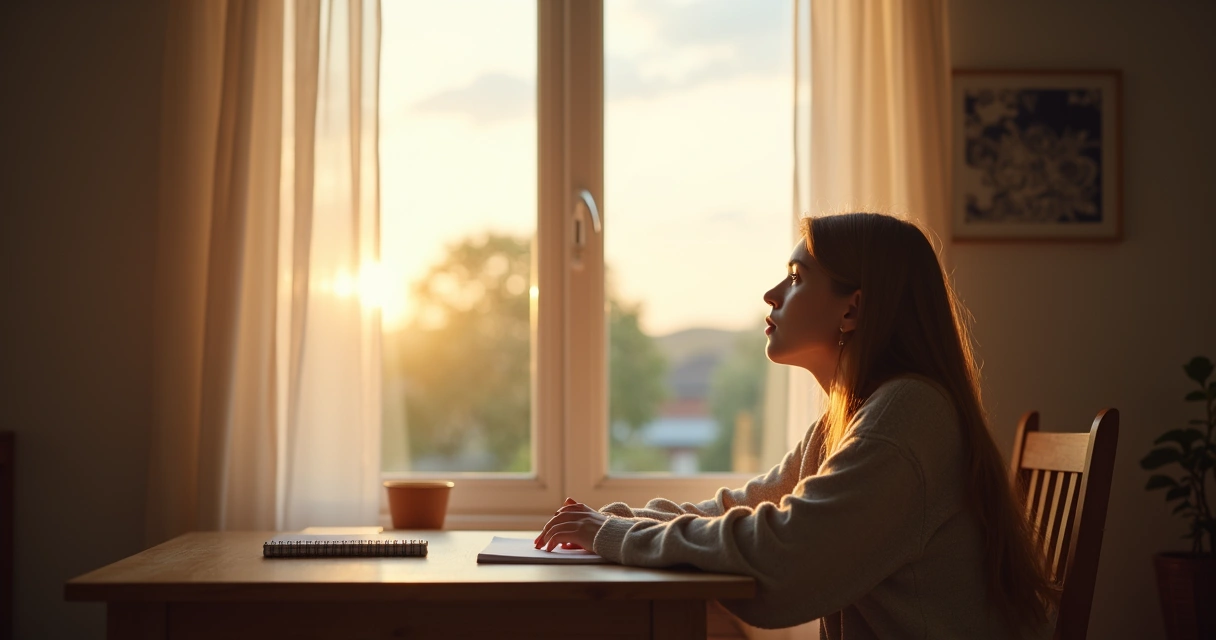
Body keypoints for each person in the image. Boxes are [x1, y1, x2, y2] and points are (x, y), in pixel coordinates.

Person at [534, 213, 1057, 638]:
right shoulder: (855, 418)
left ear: (852, 310)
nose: (771, 294)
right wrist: (613, 523)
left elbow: (778, 563)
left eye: (798, 277)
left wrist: (614, 534)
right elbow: (744, 510)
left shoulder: (907, 416)